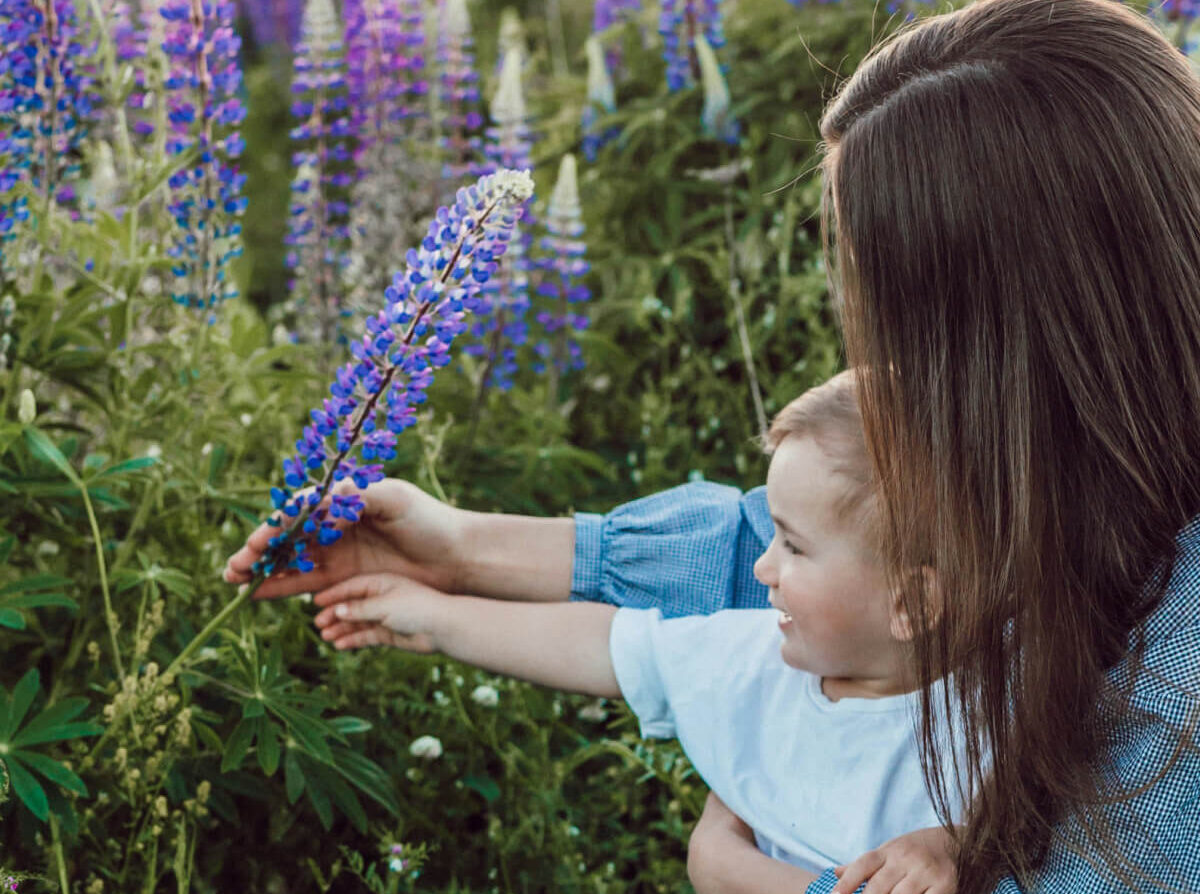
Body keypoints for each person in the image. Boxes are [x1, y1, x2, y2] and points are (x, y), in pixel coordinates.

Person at [228, 0, 1200, 891]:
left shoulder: (1178, 683)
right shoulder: (1056, 485)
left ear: (1008, 344)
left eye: (890, 316)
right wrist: (458, 549)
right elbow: (774, 553)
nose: (863, 340)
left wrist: (741, 876)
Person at [304, 371, 962, 894]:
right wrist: (434, 615)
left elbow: (1041, 831)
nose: (764, 566)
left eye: (792, 545)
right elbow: (608, 644)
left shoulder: (1002, 705)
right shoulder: (756, 658)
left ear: (909, 602)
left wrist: (953, 841)